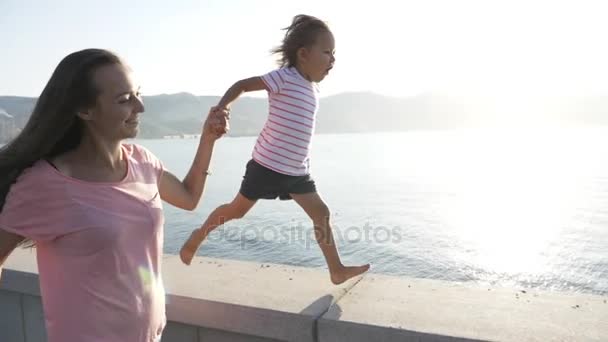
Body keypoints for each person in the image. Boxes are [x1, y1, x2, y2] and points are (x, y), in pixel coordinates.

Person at [0, 49, 228, 342]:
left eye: (138, 94)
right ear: (85, 110)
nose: (141, 107)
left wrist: (207, 140)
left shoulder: (143, 162)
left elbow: (188, 197)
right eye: (124, 100)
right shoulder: (45, 183)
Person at [179, 15, 370, 285]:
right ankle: (198, 236)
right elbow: (242, 86)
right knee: (236, 210)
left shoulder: (313, 89)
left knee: (321, 213)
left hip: (296, 172)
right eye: (327, 52)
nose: (332, 60)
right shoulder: (285, 77)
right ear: (303, 54)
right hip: (266, 166)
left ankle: (336, 270)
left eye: (334, 53)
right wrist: (223, 107)